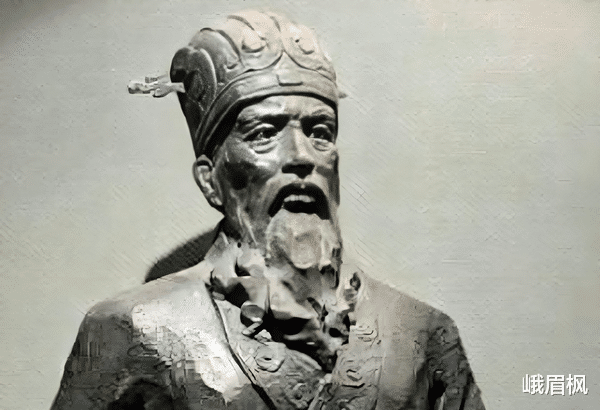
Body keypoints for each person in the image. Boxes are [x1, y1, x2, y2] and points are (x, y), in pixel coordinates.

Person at [52, 10, 485, 410]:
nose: (301, 156)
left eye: (320, 132)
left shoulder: (420, 333)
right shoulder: (136, 329)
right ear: (210, 178)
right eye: (264, 133)